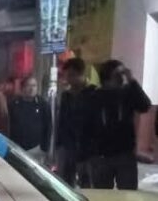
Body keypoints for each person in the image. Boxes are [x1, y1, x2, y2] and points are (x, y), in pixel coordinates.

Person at [91, 59, 151, 190]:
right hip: (101, 155)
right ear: (108, 76)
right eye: (118, 74)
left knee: (128, 193)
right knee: (102, 194)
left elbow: (145, 106)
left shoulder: (127, 93)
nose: (121, 77)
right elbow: (87, 124)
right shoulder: (95, 96)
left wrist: (132, 81)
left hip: (125, 153)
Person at [55, 57, 98, 187]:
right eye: (66, 75)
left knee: (87, 183)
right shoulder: (66, 95)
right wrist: (59, 144)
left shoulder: (93, 93)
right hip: (67, 146)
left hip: (88, 147)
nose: (68, 79)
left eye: (71, 75)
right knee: (65, 183)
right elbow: (62, 120)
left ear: (81, 74)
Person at [9, 74, 51, 158]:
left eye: (34, 86)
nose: (32, 89)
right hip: (16, 147)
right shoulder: (14, 104)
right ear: (22, 88)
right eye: (28, 85)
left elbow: (48, 126)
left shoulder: (43, 104)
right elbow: (9, 123)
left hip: (36, 148)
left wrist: (45, 148)